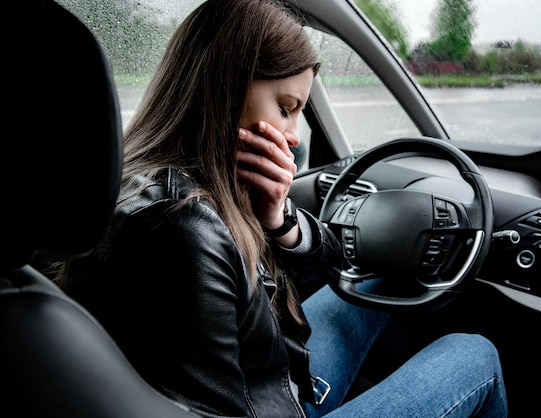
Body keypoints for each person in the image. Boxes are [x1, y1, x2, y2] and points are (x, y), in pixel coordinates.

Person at [58, 0, 508, 416]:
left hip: (270, 380)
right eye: (287, 107)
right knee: (476, 356)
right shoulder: (187, 228)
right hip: (269, 404)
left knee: (376, 279)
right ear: (227, 88)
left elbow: (334, 264)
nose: (294, 135)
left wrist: (280, 220)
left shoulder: (139, 179)